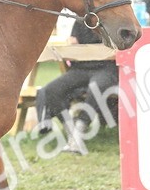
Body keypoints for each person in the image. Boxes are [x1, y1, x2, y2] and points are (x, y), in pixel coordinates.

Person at [35, 18, 118, 153]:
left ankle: (80, 128)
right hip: (81, 68)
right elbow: (73, 42)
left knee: (96, 87)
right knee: (52, 90)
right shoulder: (81, 20)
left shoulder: (112, 20)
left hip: (106, 68)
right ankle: (72, 132)